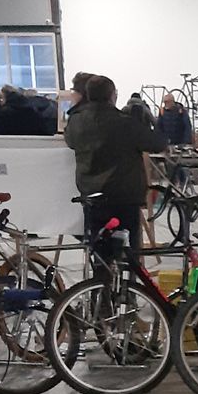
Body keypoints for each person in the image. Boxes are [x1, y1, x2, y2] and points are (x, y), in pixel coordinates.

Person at [65, 74, 167, 259]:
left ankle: (101, 276)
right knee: (130, 253)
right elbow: (158, 143)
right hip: (124, 196)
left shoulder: (76, 121)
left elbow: (71, 142)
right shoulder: (124, 122)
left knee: (99, 252)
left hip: (92, 195)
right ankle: (130, 276)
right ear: (112, 95)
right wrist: (149, 120)